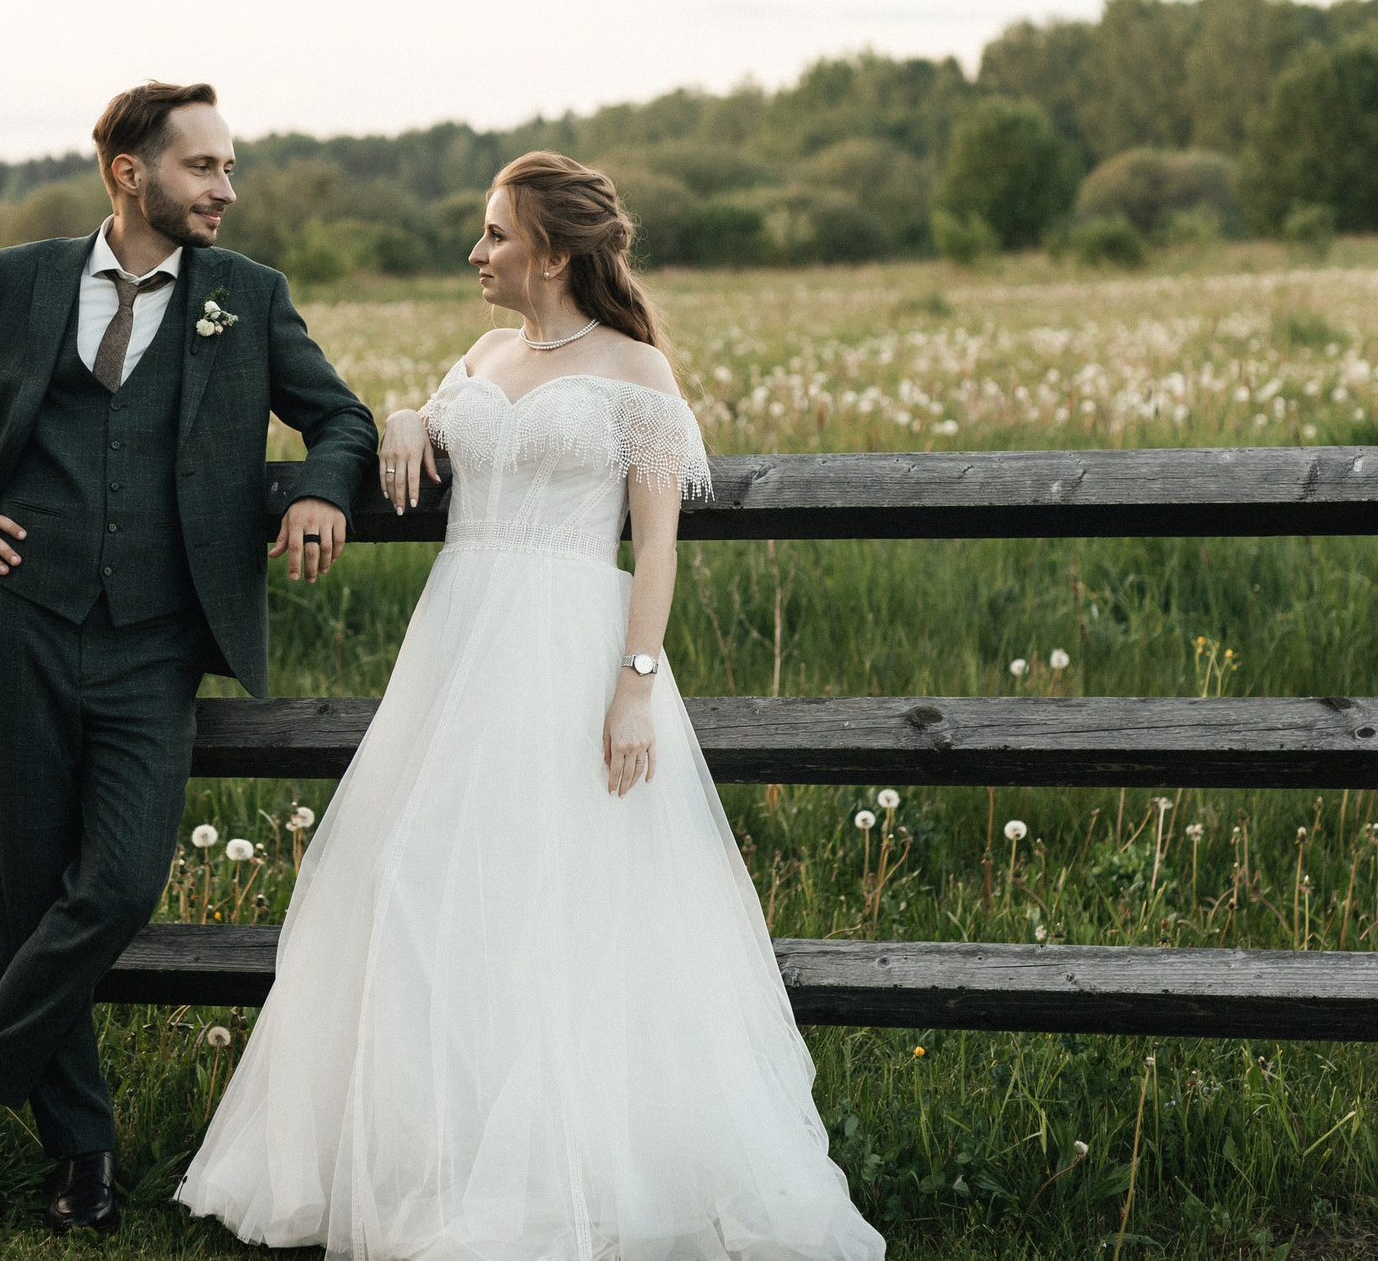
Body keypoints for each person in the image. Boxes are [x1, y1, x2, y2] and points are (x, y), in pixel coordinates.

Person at [178, 152, 885, 1261]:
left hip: (568, 648)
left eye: (496, 235)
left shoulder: (637, 372)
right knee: (416, 881)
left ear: (552, 252)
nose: (477, 252)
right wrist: (408, 414)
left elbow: (655, 551)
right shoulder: (485, 353)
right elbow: (428, 426)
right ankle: (423, 1156)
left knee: (561, 895)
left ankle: (569, 1166)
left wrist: (634, 690)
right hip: (457, 646)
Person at [0, 80, 377, 1234]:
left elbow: (337, 418)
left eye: (228, 166)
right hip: (16, 622)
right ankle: (82, 1159)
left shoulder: (247, 297)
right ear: (128, 173)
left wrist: (312, 492)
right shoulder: (17, 281)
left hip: (156, 641)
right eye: (203, 167)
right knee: (29, 893)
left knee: (117, 886)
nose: (225, 189)